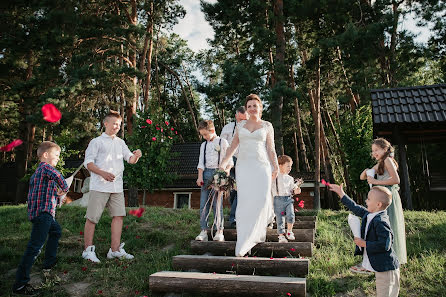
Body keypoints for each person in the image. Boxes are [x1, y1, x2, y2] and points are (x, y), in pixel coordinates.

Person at [220, 93, 279, 257]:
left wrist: (275, 166)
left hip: (262, 167)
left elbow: (271, 149)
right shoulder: (240, 126)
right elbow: (232, 148)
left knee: (261, 200)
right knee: (244, 202)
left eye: (255, 105)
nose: (253, 108)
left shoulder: (267, 126)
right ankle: (244, 241)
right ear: (246, 109)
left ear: (261, 107)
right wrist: (223, 163)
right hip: (244, 167)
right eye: (250, 106)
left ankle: (256, 233)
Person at [82, 111, 142, 263]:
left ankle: (114, 250)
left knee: (119, 216)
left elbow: (130, 159)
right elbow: (88, 163)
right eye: (114, 124)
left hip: (117, 187)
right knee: (92, 218)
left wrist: (137, 156)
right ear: (105, 124)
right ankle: (87, 251)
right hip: (100, 186)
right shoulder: (96, 142)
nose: (117, 127)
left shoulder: (120, 143)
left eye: (119, 125)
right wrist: (102, 173)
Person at [12, 141, 69, 295]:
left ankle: (49, 263)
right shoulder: (46, 168)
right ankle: (20, 284)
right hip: (43, 215)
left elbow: (44, 195)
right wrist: (64, 188)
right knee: (34, 248)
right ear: (45, 155)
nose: (58, 158)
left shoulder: (39, 173)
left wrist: (57, 198)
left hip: (43, 215)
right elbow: (58, 176)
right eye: (56, 155)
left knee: (56, 231)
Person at [328, 183, 400, 297]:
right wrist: (341, 194)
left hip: (386, 268)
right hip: (380, 267)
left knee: (386, 294)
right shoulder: (370, 214)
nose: (366, 201)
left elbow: (385, 244)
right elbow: (355, 207)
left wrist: (364, 243)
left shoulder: (381, 221)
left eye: (369, 199)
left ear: (378, 204)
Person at [360, 138, 407, 265]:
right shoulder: (381, 162)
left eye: (376, 150)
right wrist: (367, 172)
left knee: (389, 225)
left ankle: (392, 258)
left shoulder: (388, 160)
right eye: (372, 151)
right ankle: (385, 257)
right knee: (383, 226)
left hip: (388, 196)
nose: (374, 153)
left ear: (385, 149)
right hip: (382, 196)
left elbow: (396, 180)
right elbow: (362, 177)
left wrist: (376, 182)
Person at [195, 120, 232, 242]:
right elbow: (201, 162)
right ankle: (204, 230)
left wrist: (223, 175)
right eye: (202, 135)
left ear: (212, 130)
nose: (204, 137)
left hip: (218, 173)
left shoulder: (223, 142)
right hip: (206, 175)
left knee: (217, 204)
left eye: (206, 134)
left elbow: (229, 162)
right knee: (203, 204)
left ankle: (219, 231)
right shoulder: (203, 145)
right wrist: (200, 176)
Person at [220, 106, 249, 228]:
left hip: (244, 161)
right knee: (231, 191)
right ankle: (234, 213)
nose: (243, 122)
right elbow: (221, 145)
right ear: (236, 115)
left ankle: (234, 218)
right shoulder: (227, 128)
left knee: (240, 190)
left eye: (245, 119)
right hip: (229, 162)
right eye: (241, 119)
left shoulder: (249, 128)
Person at [272, 155, 301, 243]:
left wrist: (297, 190)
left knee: (291, 215)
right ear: (280, 165)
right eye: (288, 166)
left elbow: (293, 189)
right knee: (280, 218)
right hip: (278, 200)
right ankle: (281, 236)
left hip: (288, 199)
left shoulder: (290, 179)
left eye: (291, 166)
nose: (290, 168)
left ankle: (289, 231)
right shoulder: (274, 177)